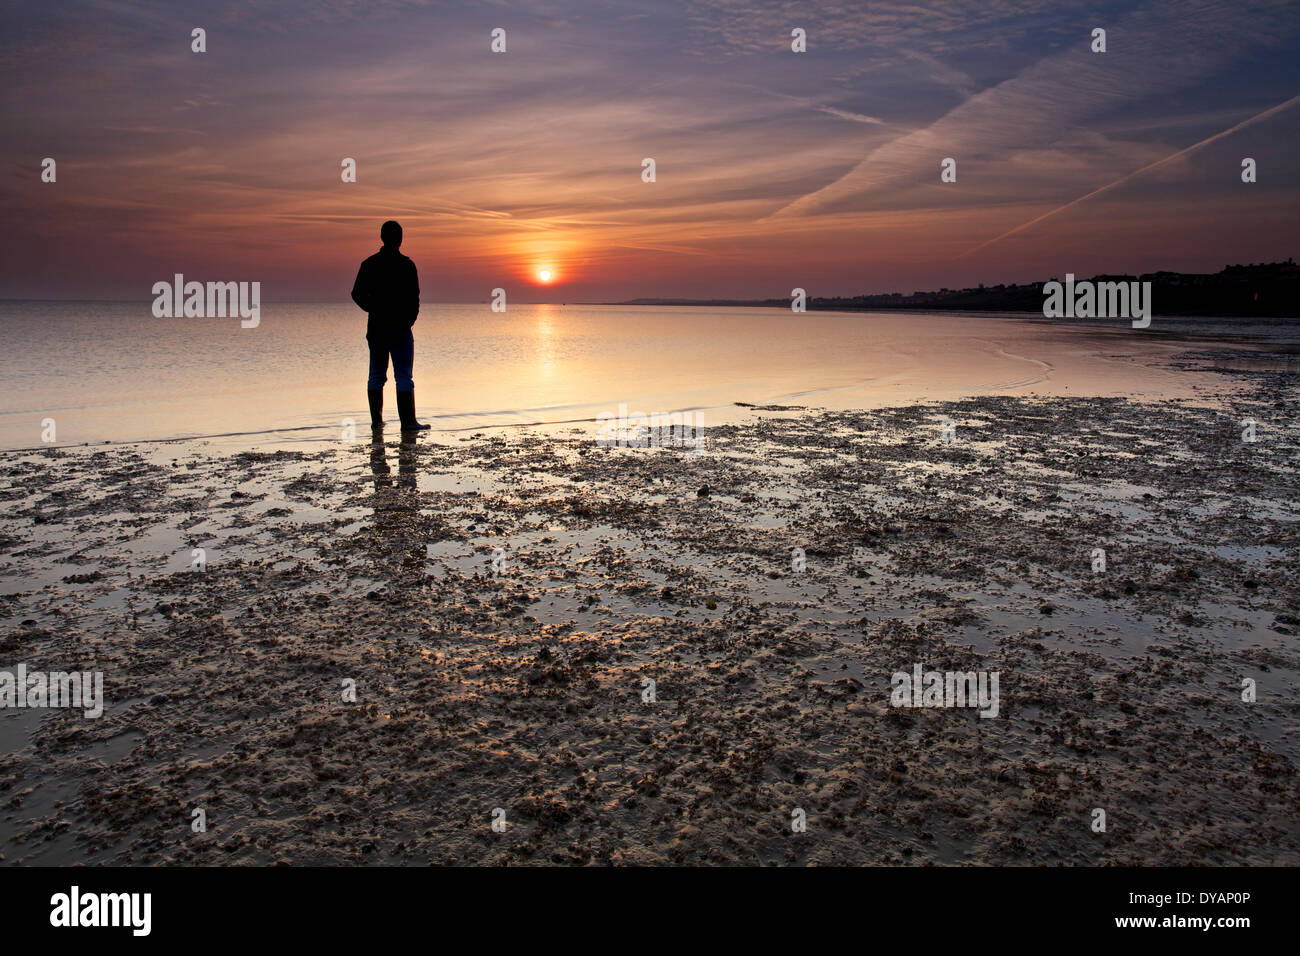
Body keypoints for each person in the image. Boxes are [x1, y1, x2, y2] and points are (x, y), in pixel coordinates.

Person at [351, 220, 430, 431]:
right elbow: (415, 297)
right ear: (400, 239)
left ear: (382, 238)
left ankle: (377, 423)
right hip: (397, 327)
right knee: (402, 375)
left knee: (377, 375)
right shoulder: (406, 265)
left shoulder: (370, 264)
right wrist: (409, 319)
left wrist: (374, 309)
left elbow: (356, 294)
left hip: (379, 326)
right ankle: (408, 422)